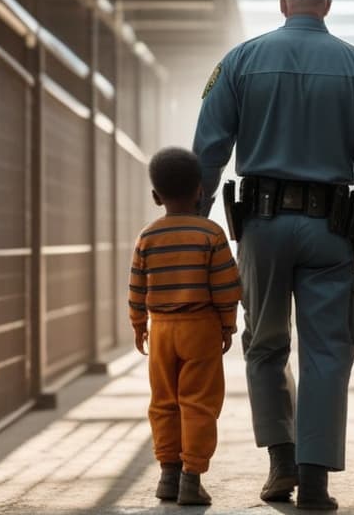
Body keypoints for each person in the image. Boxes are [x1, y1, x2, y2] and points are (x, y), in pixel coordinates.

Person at [192, 0, 354, 510]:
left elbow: (208, 148)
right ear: (325, 6)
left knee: (264, 343)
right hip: (331, 231)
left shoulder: (239, 61)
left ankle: (280, 461)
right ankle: (316, 481)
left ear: (283, 3)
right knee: (327, 350)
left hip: (260, 228)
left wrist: (195, 218)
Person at [128, 147, 242, 506]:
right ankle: (191, 478)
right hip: (201, 327)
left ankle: (167, 475)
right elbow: (226, 286)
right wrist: (227, 324)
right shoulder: (211, 234)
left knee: (163, 402)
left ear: (156, 196)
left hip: (161, 329)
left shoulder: (147, 237)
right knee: (199, 403)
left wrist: (138, 323)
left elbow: (137, 286)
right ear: (200, 191)